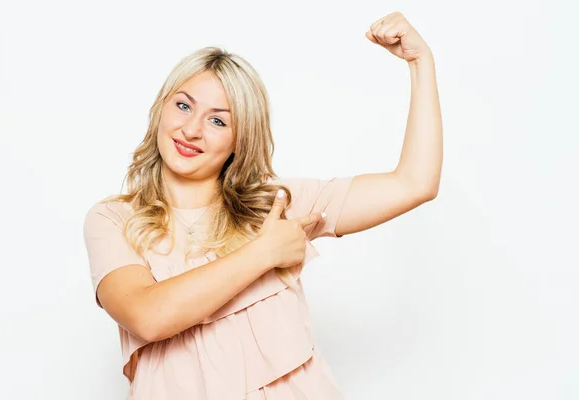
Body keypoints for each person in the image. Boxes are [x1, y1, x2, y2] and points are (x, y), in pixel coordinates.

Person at [83, 12, 442, 400]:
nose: (191, 130)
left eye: (218, 121)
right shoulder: (114, 220)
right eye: (184, 106)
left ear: (240, 139)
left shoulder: (276, 204)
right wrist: (264, 252)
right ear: (161, 108)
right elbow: (148, 317)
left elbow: (414, 183)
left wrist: (421, 63)